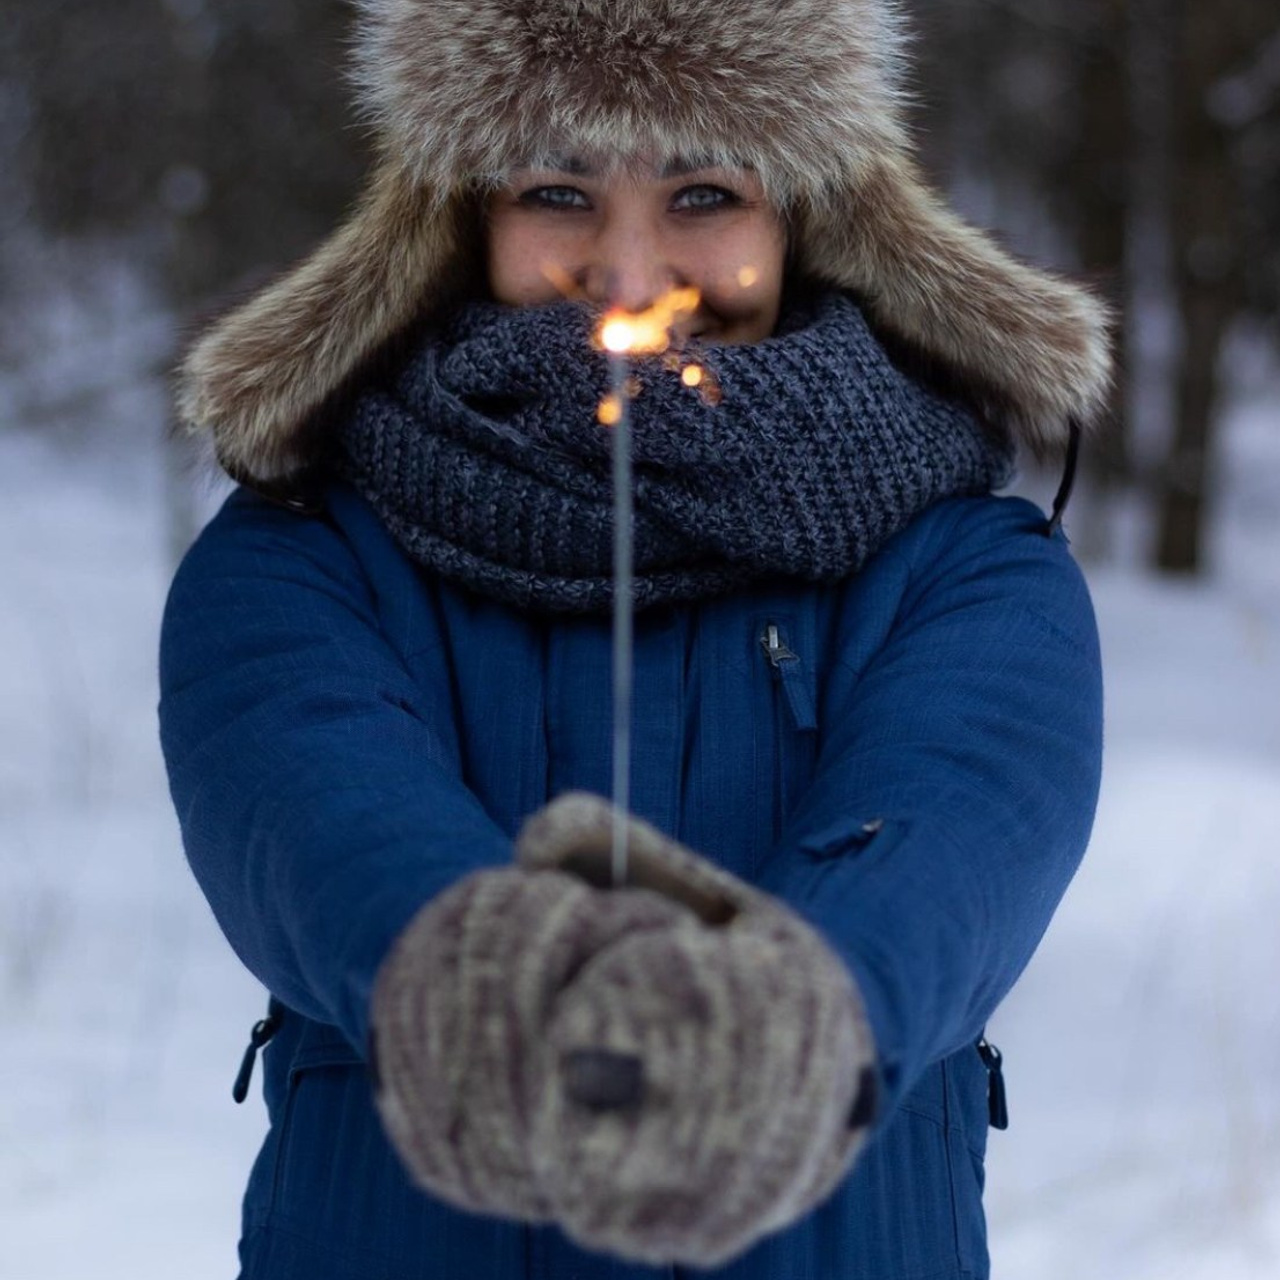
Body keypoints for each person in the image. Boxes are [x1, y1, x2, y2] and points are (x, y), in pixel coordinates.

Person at [160, 1, 1109, 1277]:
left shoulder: (961, 560)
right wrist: (489, 989)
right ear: (458, 219)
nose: (626, 272)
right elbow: (314, 811)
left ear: (805, 216)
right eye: (557, 190)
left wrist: (787, 1027)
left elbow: (964, 819)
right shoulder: (307, 550)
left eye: (703, 192)